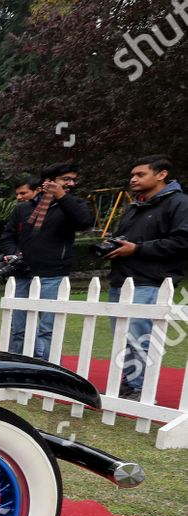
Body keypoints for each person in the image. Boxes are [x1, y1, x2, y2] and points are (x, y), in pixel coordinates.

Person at [104, 155, 188, 399]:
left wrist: (137, 248)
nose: (133, 179)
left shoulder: (180, 203)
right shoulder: (134, 206)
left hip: (152, 281)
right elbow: (124, 240)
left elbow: (182, 242)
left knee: (140, 338)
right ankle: (129, 384)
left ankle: (140, 388)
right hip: (122, 280)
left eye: (140, 174)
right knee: (122, 338)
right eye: (132, 175)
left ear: (161, 174)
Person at [0, 162, 94, 358]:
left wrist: (62, 197)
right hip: (22, 274)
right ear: (48, 182)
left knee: (48, 329)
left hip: (53, 274)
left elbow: (84, 222)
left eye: (73, 180)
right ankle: (19, 367)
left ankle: (47, 370)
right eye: (66, 179)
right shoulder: (23, 209)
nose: (72, 183)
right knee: (19, 328)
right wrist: (13, 253)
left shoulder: (74, 205)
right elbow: (7, 237)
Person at [0, 178, 43, 256]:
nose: (19, 197)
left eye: (23, 193)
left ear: (38, 190)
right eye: (17, 194)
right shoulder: (19, 210)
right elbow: (9, 239)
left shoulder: (51, 209)